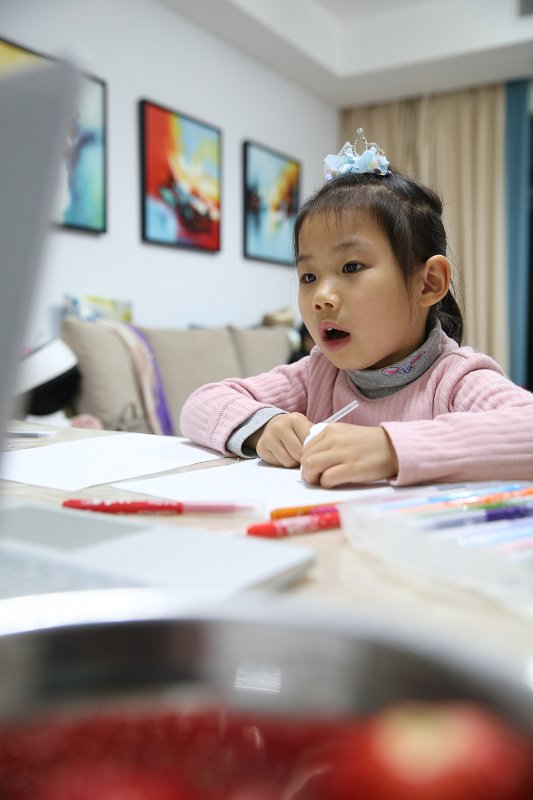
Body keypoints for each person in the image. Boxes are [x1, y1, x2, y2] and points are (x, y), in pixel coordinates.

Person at [180, 130, 533, 487]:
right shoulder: (318, 374)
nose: (321, 296)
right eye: (308, 276)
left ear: (428, 283)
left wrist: (390, 449)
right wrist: (265, 426)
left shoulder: (455, 380)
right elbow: (201, 403)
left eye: (351, 267)